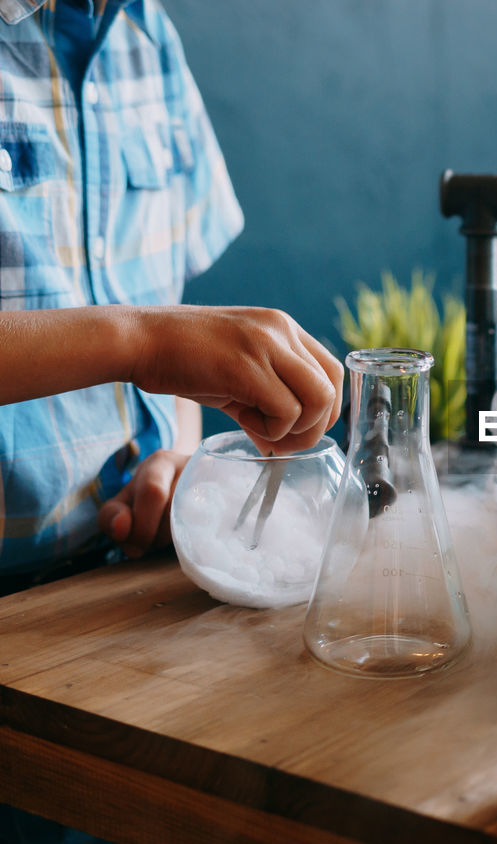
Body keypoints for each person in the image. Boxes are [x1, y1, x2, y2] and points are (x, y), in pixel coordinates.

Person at [0, 0, 343, 586]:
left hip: (121, 581)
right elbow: (158, 337)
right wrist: (145, 342)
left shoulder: (147, 32)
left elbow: (165, 313)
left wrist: (178, 463)